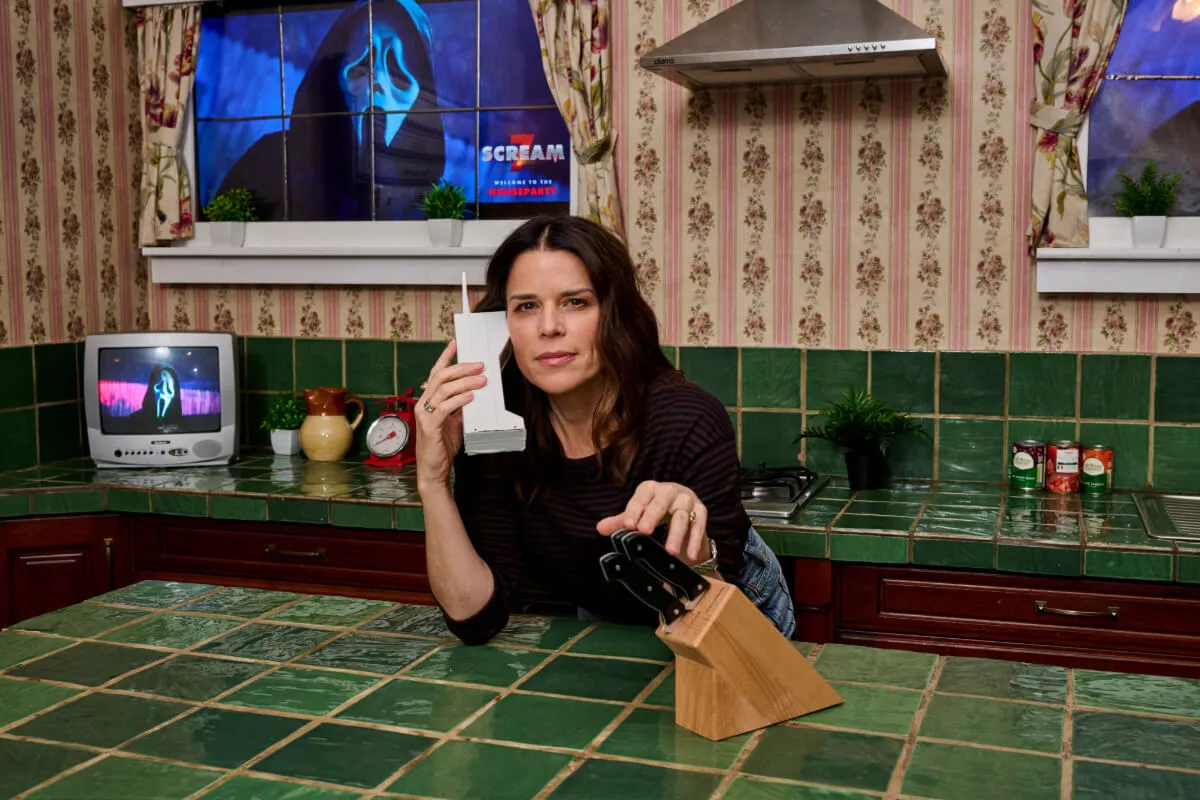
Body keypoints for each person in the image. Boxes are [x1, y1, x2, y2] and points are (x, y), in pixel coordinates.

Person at [415, 215, 796, 646]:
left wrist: (693, 547)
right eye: (526, 306)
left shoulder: (687, 419)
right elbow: (475, 618)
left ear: (614, 312)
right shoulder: (495, 426)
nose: (549, 327)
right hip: (610, 614)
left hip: (733, 613)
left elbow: (711, 616)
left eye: (575, 302)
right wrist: (432, 481)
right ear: (503, 326)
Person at [214, 0, 445, 221]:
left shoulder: (431, 198)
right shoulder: (270, 161)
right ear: (338, 76)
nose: (377, 83)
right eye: (363, 65)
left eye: (398, 72)